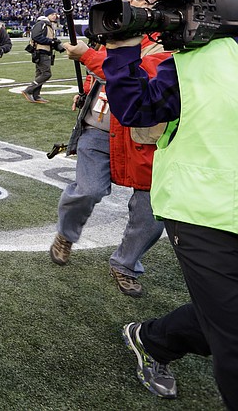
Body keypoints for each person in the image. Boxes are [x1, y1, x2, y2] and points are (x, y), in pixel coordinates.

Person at [103, 30, 238, 407]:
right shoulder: (195, 58)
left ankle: (151, 340)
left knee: (224, 313)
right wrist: (120, 52)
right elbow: (135, 110)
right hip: (204, 210)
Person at [49, 34, 169, 297]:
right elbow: (99, 77)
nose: (128, 1)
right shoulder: (111, 39)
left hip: (145, 137)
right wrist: (86, 92)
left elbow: (139, 74)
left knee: (152, 210)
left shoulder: (168, 41)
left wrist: (88, 57)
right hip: (99, 129)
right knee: (88, 189)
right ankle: (66, 233)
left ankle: (125, 264)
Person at [22, 8, 64, 103]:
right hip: (41, 52)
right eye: (52, 14)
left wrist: (58, 46)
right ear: (47, 15)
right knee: (46, 74)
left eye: (55, 14)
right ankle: (28, 90)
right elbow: (36, 37)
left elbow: (48, 39)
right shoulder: (42, 23)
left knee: (40, 74)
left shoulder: (49, 25)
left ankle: (36, 95)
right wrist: (52, 41)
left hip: (45, 52)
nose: (54, 16)